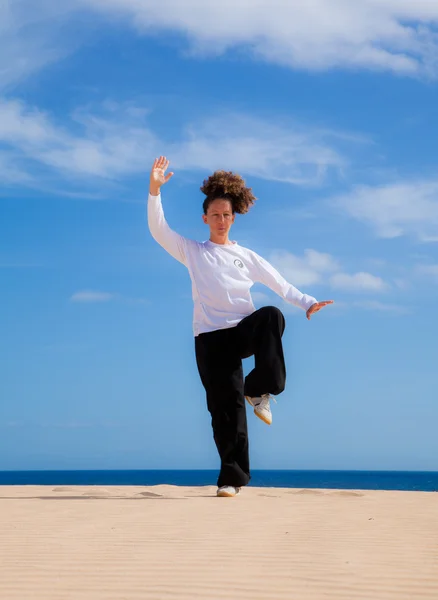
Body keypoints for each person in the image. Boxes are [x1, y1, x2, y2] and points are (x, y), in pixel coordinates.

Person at [147, 156, 333, 498]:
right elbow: (159, 231)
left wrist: (307, 302)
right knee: (225, 411)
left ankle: (259, 387)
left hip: (241, 330)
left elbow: (278, 282)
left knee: (272, 315)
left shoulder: (245, 255)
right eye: (215, 215)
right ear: (205, 218)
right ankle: (232, 478)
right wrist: (154, 192)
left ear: (233, 218)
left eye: (226, 215)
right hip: (210, 340)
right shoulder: (192, 251)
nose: (221, 220)